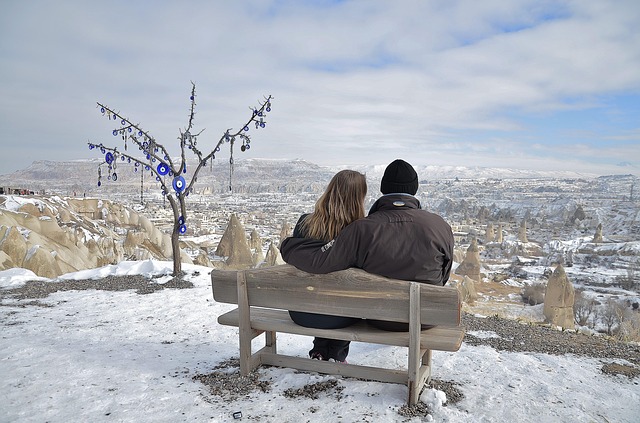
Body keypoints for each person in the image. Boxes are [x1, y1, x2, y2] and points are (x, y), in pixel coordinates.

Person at [280, 159, 454, 336]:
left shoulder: (363, 228)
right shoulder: (440, 226)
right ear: (415, 189)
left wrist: (290, 245)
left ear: (383, 188)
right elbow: (444, 274)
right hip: (428, 317)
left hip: (381, 317)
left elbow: (322, 261)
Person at [286, 169, 368, 363]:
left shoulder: (304, 223)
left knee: (320, 291)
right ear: (359, 198)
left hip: (301, 312)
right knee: (346, 298)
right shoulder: (361, 231)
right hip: (341, 317)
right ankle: (337, 355)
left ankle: (320, 351)